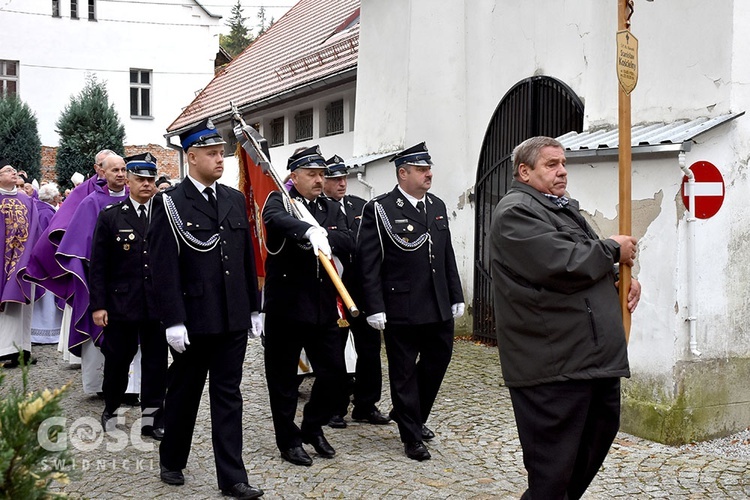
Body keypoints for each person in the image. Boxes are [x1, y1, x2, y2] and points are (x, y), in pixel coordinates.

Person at [489, 136, 641, 499]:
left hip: (589, 359)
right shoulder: (516, 212)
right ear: (524, 171)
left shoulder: (559, 207)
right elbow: (561, 263)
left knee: (586, 454)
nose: (561, 172)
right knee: (553, 470)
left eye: (563, 164)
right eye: (551, 165)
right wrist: (610, 251)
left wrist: (620, 279)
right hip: (551, 364)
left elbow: (583, 261)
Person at [148, 118, 264, 499]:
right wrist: (172, 320)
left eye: (222, 153)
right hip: (194, 319)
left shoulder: (232, 198)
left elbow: (246, 256)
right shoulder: (171, 203)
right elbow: (162, 266)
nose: (220, 159)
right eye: (212, 153)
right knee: (185, 393)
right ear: (191, 156)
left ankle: (232, 478)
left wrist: (254, 307)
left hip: (231, 317)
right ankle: (172, 458)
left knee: (229, 397)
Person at [356, 142, 464, 461]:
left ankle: (410, 414)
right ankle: (411, 436)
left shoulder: (437, 205)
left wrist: (455, 295)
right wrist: (374, 306)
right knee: (403, 372)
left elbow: (446, 255)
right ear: (403, 173)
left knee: (436, 363)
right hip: (400, 305)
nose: (428, 173)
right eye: (420, 169)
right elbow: (369, 263)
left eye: (428, 168)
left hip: (437, 304)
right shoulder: (381, 209)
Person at [262, 145, 352, 467]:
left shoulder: (329, 207)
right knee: (284, 381)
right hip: (286, 307)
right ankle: (288, 441)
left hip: (322, 307)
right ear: (294, 176)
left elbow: (348, 239)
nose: (319, 180)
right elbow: (276, 220)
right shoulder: (279, 201)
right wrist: (307, 229)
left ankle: (312, 427)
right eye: (312, 174)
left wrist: (323, 232)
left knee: (335, 376)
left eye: (321, 174)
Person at [90, 153, 167, 441]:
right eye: (141, 179)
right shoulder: (111, 216)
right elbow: (98, 265)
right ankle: (111, 407)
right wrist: (98, 305)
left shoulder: (165, 215)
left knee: (156, 363)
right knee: (118, 360)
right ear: (129, 181)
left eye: (151, 179)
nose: (147, 184)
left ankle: (152, 418)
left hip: (157, 304)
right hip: (122, 302)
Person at [322, 155, 390, 429]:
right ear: (323, 181)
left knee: (370, 350)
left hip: (362, 290)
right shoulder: (317, 210)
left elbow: (370, 244)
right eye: (335, 178)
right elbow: (348, 242)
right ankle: (334, 406)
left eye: (344, 178)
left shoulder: (360, 206)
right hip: (334, 293)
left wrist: (342, 239)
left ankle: (365, 404)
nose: (341, 183)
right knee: (334, 352)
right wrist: (347, 240)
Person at [0, 161, 42, 368]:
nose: (13, 172)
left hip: (23, 261)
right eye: (7, 170)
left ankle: (23, 350)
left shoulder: (27, 200)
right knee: (6, 307)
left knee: (24, 305)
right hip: (2, 259)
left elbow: (36, 229)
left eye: (14, 170)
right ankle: (4, 349)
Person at [30, 182, 63, 345]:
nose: (60, 197)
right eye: (58, 195)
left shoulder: (40, 209)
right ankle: (47, 334)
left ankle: (39, 334)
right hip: (48, 261)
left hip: (40, 261)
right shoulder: (47, 213)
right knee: (48, 299)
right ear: (54, 197)